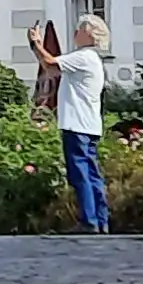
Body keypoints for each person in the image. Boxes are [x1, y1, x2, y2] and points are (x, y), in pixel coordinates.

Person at [34, 17, 113, 234]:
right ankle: (100, 219)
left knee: (81, 174)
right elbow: (51, 68)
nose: (75, 32)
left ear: (89, 35)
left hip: (76, 123)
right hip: (89, 124)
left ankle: (89, 221)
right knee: (92, 173)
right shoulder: (92, 59)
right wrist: (39, 50)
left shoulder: (83, 57)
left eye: (79, 29)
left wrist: (36, 44)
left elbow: (49, 64)